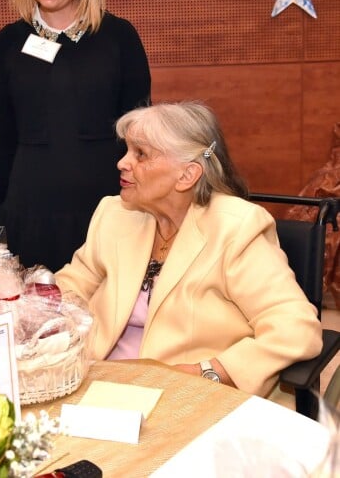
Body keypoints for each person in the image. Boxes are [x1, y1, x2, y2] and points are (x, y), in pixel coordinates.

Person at [55, 101, 322, 398]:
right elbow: (73, 284)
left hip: (191, 395)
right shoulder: (115, 213)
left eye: (140, 154)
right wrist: (38, 312)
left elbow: (296, 329)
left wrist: (207, 371)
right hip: (101, 384)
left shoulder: (236, 228)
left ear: (186, 175)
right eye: (127, 150)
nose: (122, 163)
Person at [0, 0, 151, 272]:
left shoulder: (120, 38)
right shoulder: (8, 43)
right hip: (28, 220)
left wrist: (146, 216)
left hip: (106, 218)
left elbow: (142, 144)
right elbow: (0, 143)